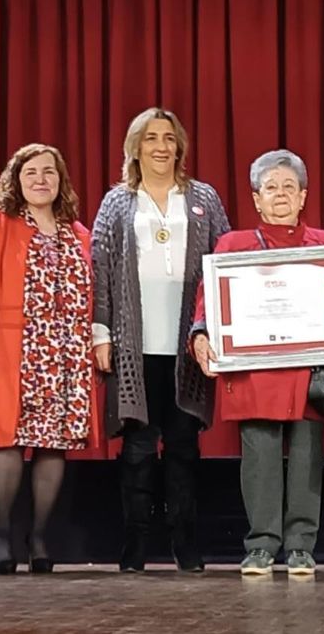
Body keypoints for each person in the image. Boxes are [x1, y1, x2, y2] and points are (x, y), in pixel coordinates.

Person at [189, 149, 324, 577]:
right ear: (256, 199)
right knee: (260, 460)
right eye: (271, 187)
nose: (281, 194)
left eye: (289, 186)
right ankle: (261, 546)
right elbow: (207, 305)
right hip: (255, 372)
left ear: (304, 195)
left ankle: (301, 547)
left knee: (308, 458)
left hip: (309, 371)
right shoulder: (232, 247)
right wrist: (200, 336)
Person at [91, 107, 230, 573]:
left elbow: (224, 263)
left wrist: (217, 330)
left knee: (184, 449)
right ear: (136, 147)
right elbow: (101, 273)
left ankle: (185, 543)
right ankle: (134, 545)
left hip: (187, 346)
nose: (161, 147)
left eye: (169, 138)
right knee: (136, 451)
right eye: (151, 138)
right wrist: (102, 333)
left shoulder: (203, 199)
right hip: (135, 344)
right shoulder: (117, 203)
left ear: (180, 146)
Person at [0, 143, 100, 575]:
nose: (40, 179)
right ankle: (1, 533)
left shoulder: (78, 232)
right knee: (8, 439)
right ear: (16, 180)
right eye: (31, 172)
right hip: (16, 348)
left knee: (54, 445)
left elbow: (93, 296)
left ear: (60, 180)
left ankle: (38, 537)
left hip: (66, 352)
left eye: (49, 172)